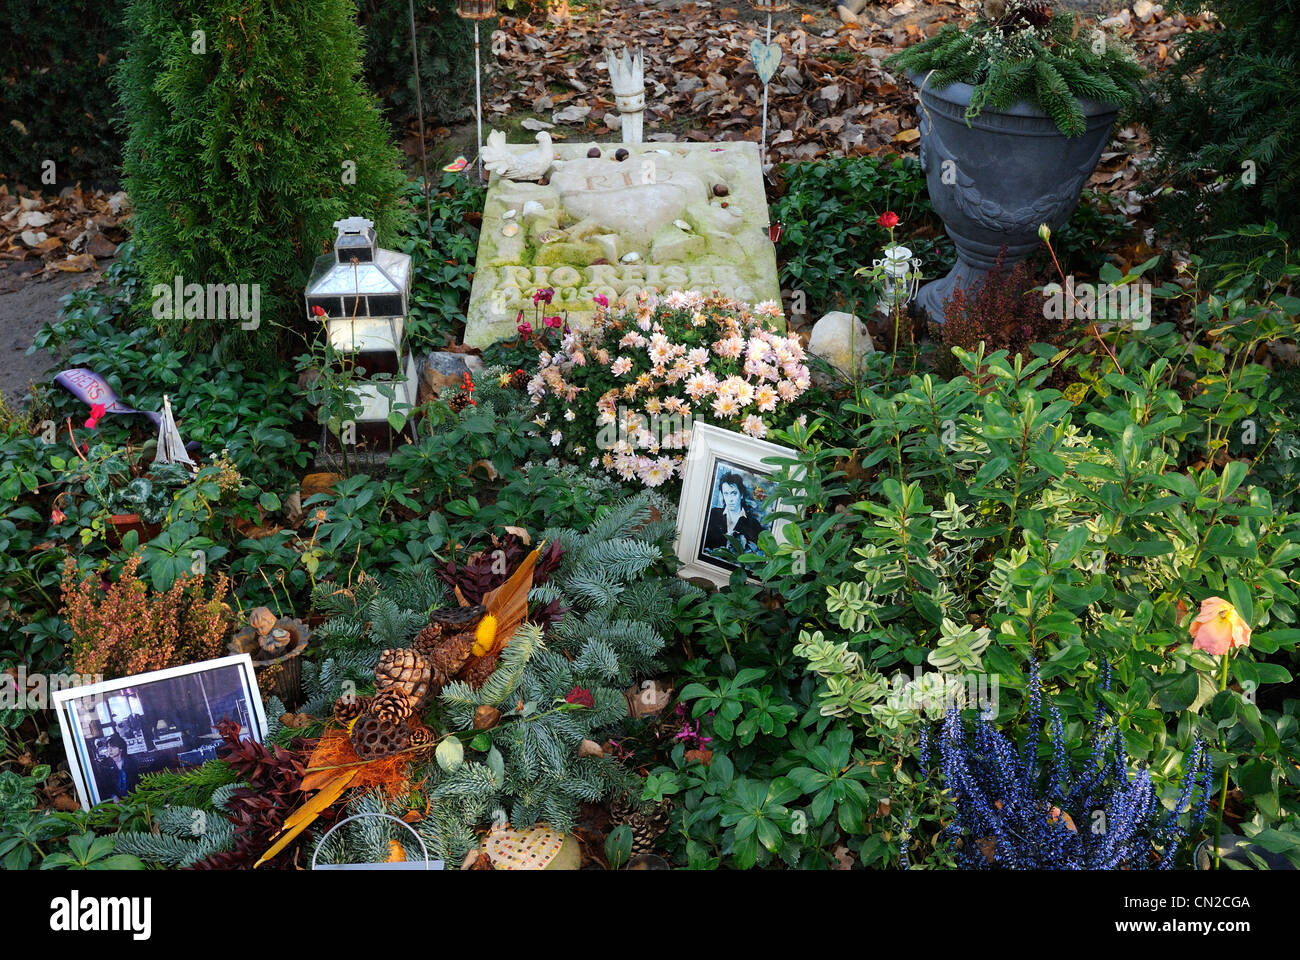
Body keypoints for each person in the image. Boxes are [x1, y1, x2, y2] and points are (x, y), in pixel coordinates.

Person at [702, 471, 765, 556]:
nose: (730, 499)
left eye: (734, 493)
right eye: (726, 494)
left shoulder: (754, 525)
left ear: (741, 494)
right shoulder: (712, 515)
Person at [92, 733, 138, 802]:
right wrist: (114, 797)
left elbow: (135, 783)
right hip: (114, 802)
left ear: (121, 749)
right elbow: (106, 786)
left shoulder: (131, 762)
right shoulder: (105, 765)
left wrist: (130, 798)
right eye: (108, 747)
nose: (109, 750)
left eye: (113, 747)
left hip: (133, 799)